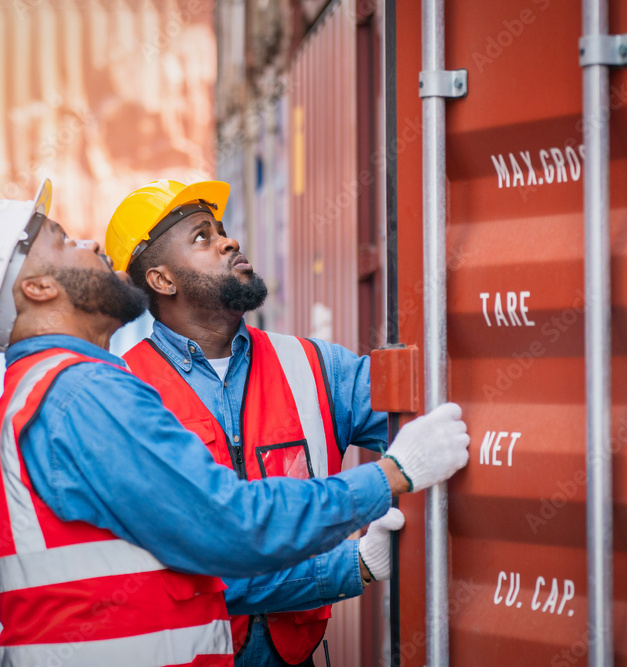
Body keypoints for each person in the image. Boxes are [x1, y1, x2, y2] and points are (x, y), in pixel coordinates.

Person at [0, 180, 470, 667]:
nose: (89, 246)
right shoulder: (91, 393)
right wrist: (389, 479)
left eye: (223, 231)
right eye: (63, 239)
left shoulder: (307, 366)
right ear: (39, 289)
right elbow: (229, 530)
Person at [104, 179, 470, 667]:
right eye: (201, 237)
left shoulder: (312, 367)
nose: (228, 241)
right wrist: (352, 564)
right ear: (162, 280)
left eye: (222, 230)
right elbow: (199, 572)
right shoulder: (124, 392)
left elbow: (431, 420)